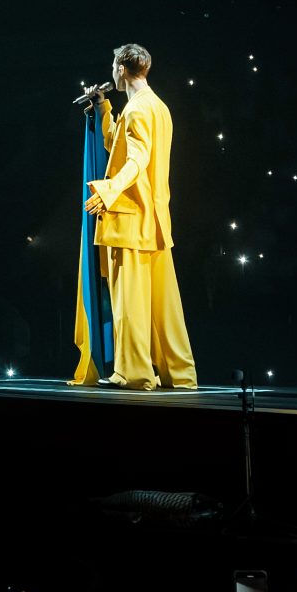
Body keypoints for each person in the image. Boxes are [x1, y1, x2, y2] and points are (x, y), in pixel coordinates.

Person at [78, 42, 198, 389]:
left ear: (120, 68)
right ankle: (179, 372)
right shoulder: (156, 107)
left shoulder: (138, 110)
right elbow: (119, 144)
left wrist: (109, 190)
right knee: (164, 307)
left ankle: (133, 372)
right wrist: (103, 107)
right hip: (155, 220)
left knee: (129, 303)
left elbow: (137, 159)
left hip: (132, 219)